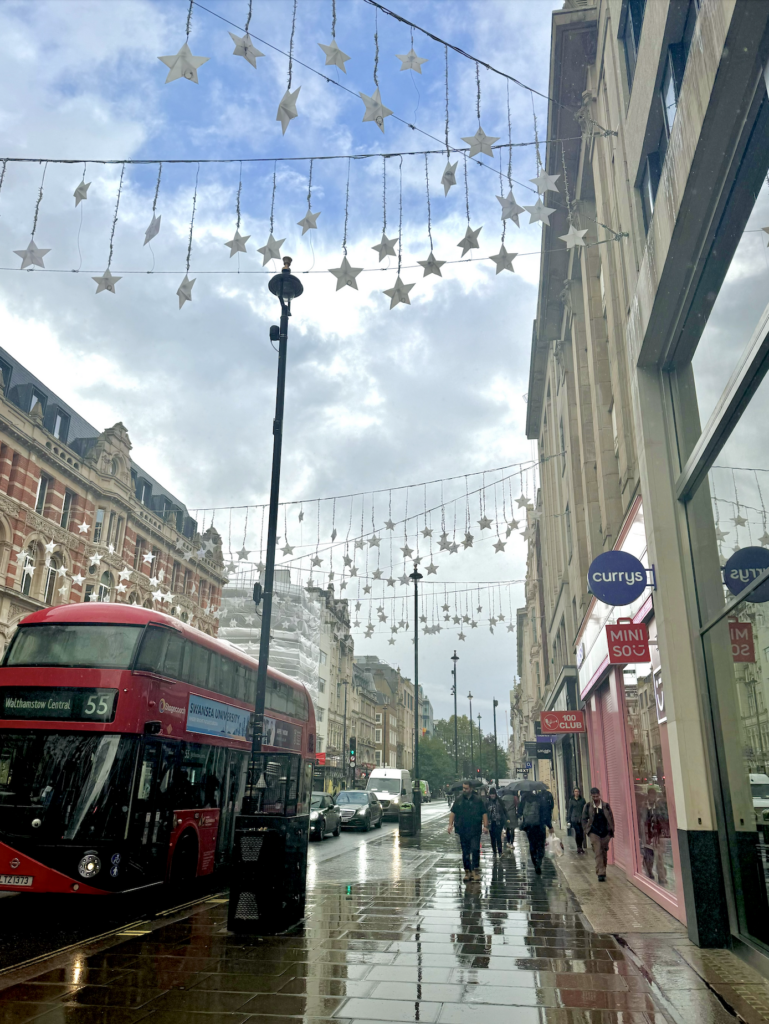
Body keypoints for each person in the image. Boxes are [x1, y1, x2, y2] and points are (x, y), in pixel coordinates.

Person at [448, 780, 489, 881]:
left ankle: (475, 871)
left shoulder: (478, 800)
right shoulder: (459, 800)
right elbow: (453, 812)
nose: (464, 790)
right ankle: (467, 872)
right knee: (465, 851)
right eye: (463, 788)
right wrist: (450, 825)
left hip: (475, 829)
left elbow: (484, 813)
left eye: (466, 788)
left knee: (475, 849)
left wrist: (486, 826)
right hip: (462, 829)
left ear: (471, 788)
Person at [517, 786, 553, 874]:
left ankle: (535, 862)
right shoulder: (539, 798)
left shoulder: (524, 800)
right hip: (540, 826)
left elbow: (519, 812)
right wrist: (550, 826)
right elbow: (545, 813)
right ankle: (539, 862)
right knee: (540, 845)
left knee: (532, 845)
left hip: (529, 827)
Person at [582, 786, 615, 881]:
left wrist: (611, 832)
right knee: (597, 851)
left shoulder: (606, 806)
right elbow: (583, 819)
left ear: (599, 795)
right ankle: (600, 873)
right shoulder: (588, 806)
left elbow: (611, 819)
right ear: (591, 796)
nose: (595, 798)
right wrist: (587, 830)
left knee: (603, 851)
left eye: (597, 796)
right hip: (594, 832)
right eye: (593, 797)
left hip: (605, 832)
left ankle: (603, 869)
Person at [641, 787, 669, 885]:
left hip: (659, 834)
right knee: (649, 855)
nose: (652, 797)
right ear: (648, 796)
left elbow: (665, 817)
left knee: (660, 856)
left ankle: (662, 877)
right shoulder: (644, 806)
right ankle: (649, 872)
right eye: (651, 795)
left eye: (654, 795)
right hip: (648, 834)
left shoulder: (659, 806)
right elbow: (641, 820)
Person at [486, 787, 505, 858]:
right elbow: (485, 812)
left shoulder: (499, 801)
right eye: (491, 794)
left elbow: (503, 811)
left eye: (493, 794)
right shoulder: (487, 802)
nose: (492, 795)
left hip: (498, 822)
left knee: (498, 837)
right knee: (492, 838)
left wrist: (505, 820)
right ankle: (494, 851)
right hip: (491, 823)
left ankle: (500, 852)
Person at [567, 786, 587, 854]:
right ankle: (578, 847)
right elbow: (570, 810)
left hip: (581, 819)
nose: (576, 793)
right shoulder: (571, 800)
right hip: (574, 819)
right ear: (573, 792)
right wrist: (568, 820)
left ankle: (581, 846)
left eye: (578, 791)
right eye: (575, 791)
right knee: (577, 832)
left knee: (581, 833)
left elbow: (585, 809)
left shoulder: (582, 800)